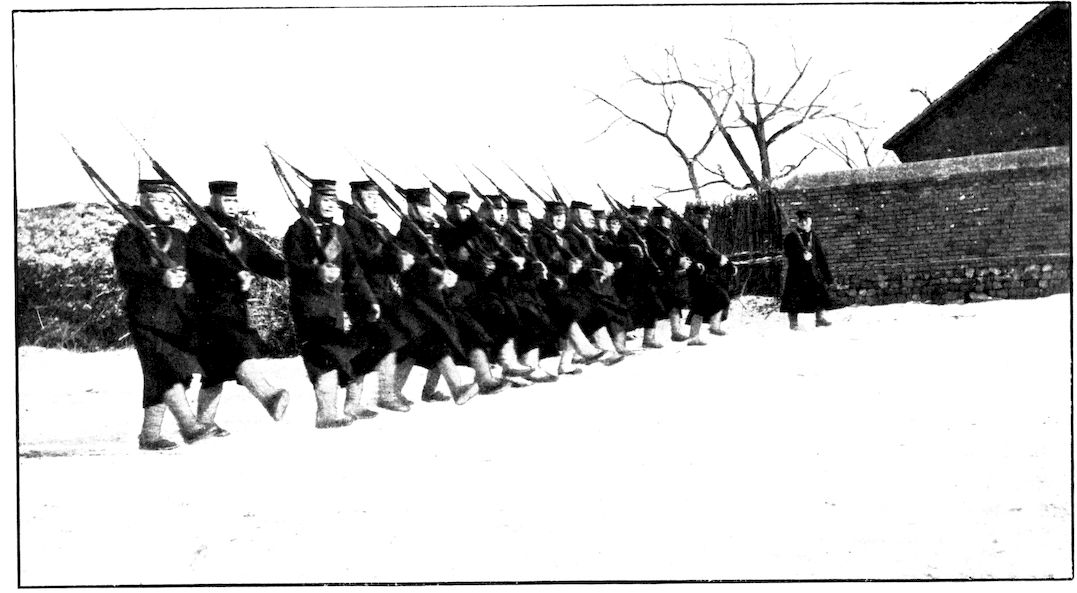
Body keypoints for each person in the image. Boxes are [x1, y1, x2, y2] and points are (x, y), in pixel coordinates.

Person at [113, 179, 214, 450]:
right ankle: (190, 426)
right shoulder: (130, 234)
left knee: (164, 373)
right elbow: (127, 272)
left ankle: (149, 436)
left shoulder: (179, 236)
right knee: (166, 368)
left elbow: (194, 273)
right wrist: (160, 276)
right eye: (160, 200)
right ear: (144, 201)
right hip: (146, 315)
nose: (168, 206)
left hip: (178, 317)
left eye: (170, 201)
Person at [187, 180, 290, 436]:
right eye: (227, 200)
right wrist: (234, 273)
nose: (232, 205)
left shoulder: (239, 234)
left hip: (234, 310)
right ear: (213, 201)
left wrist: (288, 268)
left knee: (215, 370)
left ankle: (204, 423)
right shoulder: (200, 233)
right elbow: (204, 260)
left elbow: (264, 258)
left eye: (235, 200)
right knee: (241, 352)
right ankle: (269, 397)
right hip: (209, 310)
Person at [283, 179, 377, 428]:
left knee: (351, 350)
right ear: (313, 200)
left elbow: (354, 273)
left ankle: (349, 407)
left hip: (333, 306)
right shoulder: (298, 230)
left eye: (333, 200)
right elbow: (292, 267)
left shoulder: (339, 233)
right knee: (324, 355)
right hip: (308, 305)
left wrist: (369, 300)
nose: (329, 205)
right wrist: (318, 272)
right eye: (324, 200)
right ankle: (326, 414)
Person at [676, 204, 736, 345]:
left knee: (701, 305)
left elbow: (709, 251)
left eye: (708, 218)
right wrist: (717, 259)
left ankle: (695, 336)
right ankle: (712, 327)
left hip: (708, 272)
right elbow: (697, 253)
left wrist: (723, 261)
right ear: (697, 218)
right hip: (698, 272)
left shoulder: (702, 233)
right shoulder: (689, 234)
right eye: (705, 218)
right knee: (717, 298)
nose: (707, 220)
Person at [643, 206, 692, 342]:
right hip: (655, 273)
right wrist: (677, 260)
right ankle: (648, 338)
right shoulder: (652, 234)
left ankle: (676, 332)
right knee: (653, 305)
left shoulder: (667, 234)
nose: (669, 220)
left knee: (674, 301)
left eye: (670, 218)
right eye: (666, 217)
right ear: (658, 219)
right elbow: (658, 254)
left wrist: (682, 259)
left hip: (669, 273)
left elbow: (675, 250)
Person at [780, 209, 834, 330]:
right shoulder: (791, 237)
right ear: (797, 222)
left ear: (810, 221)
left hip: (812, 273)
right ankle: (793, 323)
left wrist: (828, 277)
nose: (803, 223)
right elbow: (788, 253)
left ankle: (819, 319)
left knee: (819, 293)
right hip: (796, 274)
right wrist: (800, 255)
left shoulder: (814, 237)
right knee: (793, 299)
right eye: (801, 221)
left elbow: (821, 257)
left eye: (806, 220)